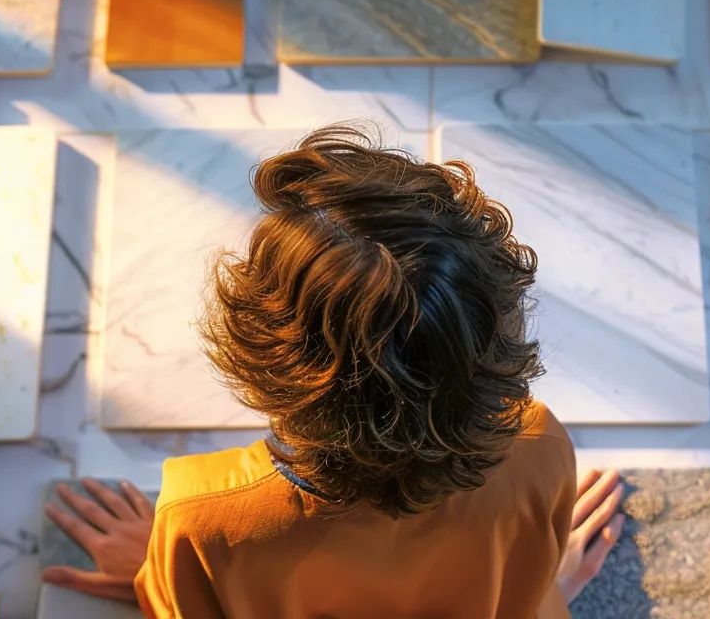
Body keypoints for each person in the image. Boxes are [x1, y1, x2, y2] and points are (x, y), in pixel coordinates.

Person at [42, 125, 627, 618]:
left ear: (262, 358)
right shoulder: (539, 448)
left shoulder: (202, 518)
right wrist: (538, 585)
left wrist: (158, 577)